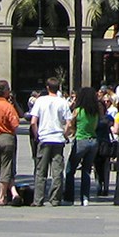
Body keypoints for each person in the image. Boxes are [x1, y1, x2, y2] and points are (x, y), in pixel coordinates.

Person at [29, 77, 72, 206]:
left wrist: (37, 136)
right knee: (57, 171)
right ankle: (55, 199)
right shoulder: (63, 102)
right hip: (58, 139)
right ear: (58, 88)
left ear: (47, 87)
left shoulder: (40, 101)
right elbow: (69, 123)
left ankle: (38, 199)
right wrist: (64, 134)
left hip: (44, 138)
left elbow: (33, 122)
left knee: (40, 171)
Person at [63, 86, 101, 204]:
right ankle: (85, 197)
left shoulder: (78, 111)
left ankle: (69, 197)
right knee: (86, 170)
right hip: (93, 141)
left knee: (70, 169)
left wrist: (66, 134)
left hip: (81, 140)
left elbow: (70, 125)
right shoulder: (95, 111)